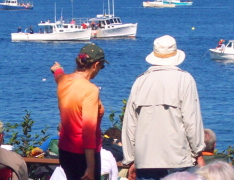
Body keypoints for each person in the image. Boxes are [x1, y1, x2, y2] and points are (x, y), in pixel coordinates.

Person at [122, 35, 205, 180]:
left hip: (146, 158)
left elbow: (130, 124)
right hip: (177, 157)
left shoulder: (140, 81)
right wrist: (198, 151)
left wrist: (130, 159)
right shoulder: (185, 79)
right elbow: (192, 120)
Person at [51, 43, 108, 180]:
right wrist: (90, 167)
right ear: (96, 65)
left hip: (65, 151)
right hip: (84, 154)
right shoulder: (90, 90)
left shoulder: (64, 81)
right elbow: (88, 130)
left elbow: (58, 75)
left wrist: (57, 69)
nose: (100, 70)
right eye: (101, 66)